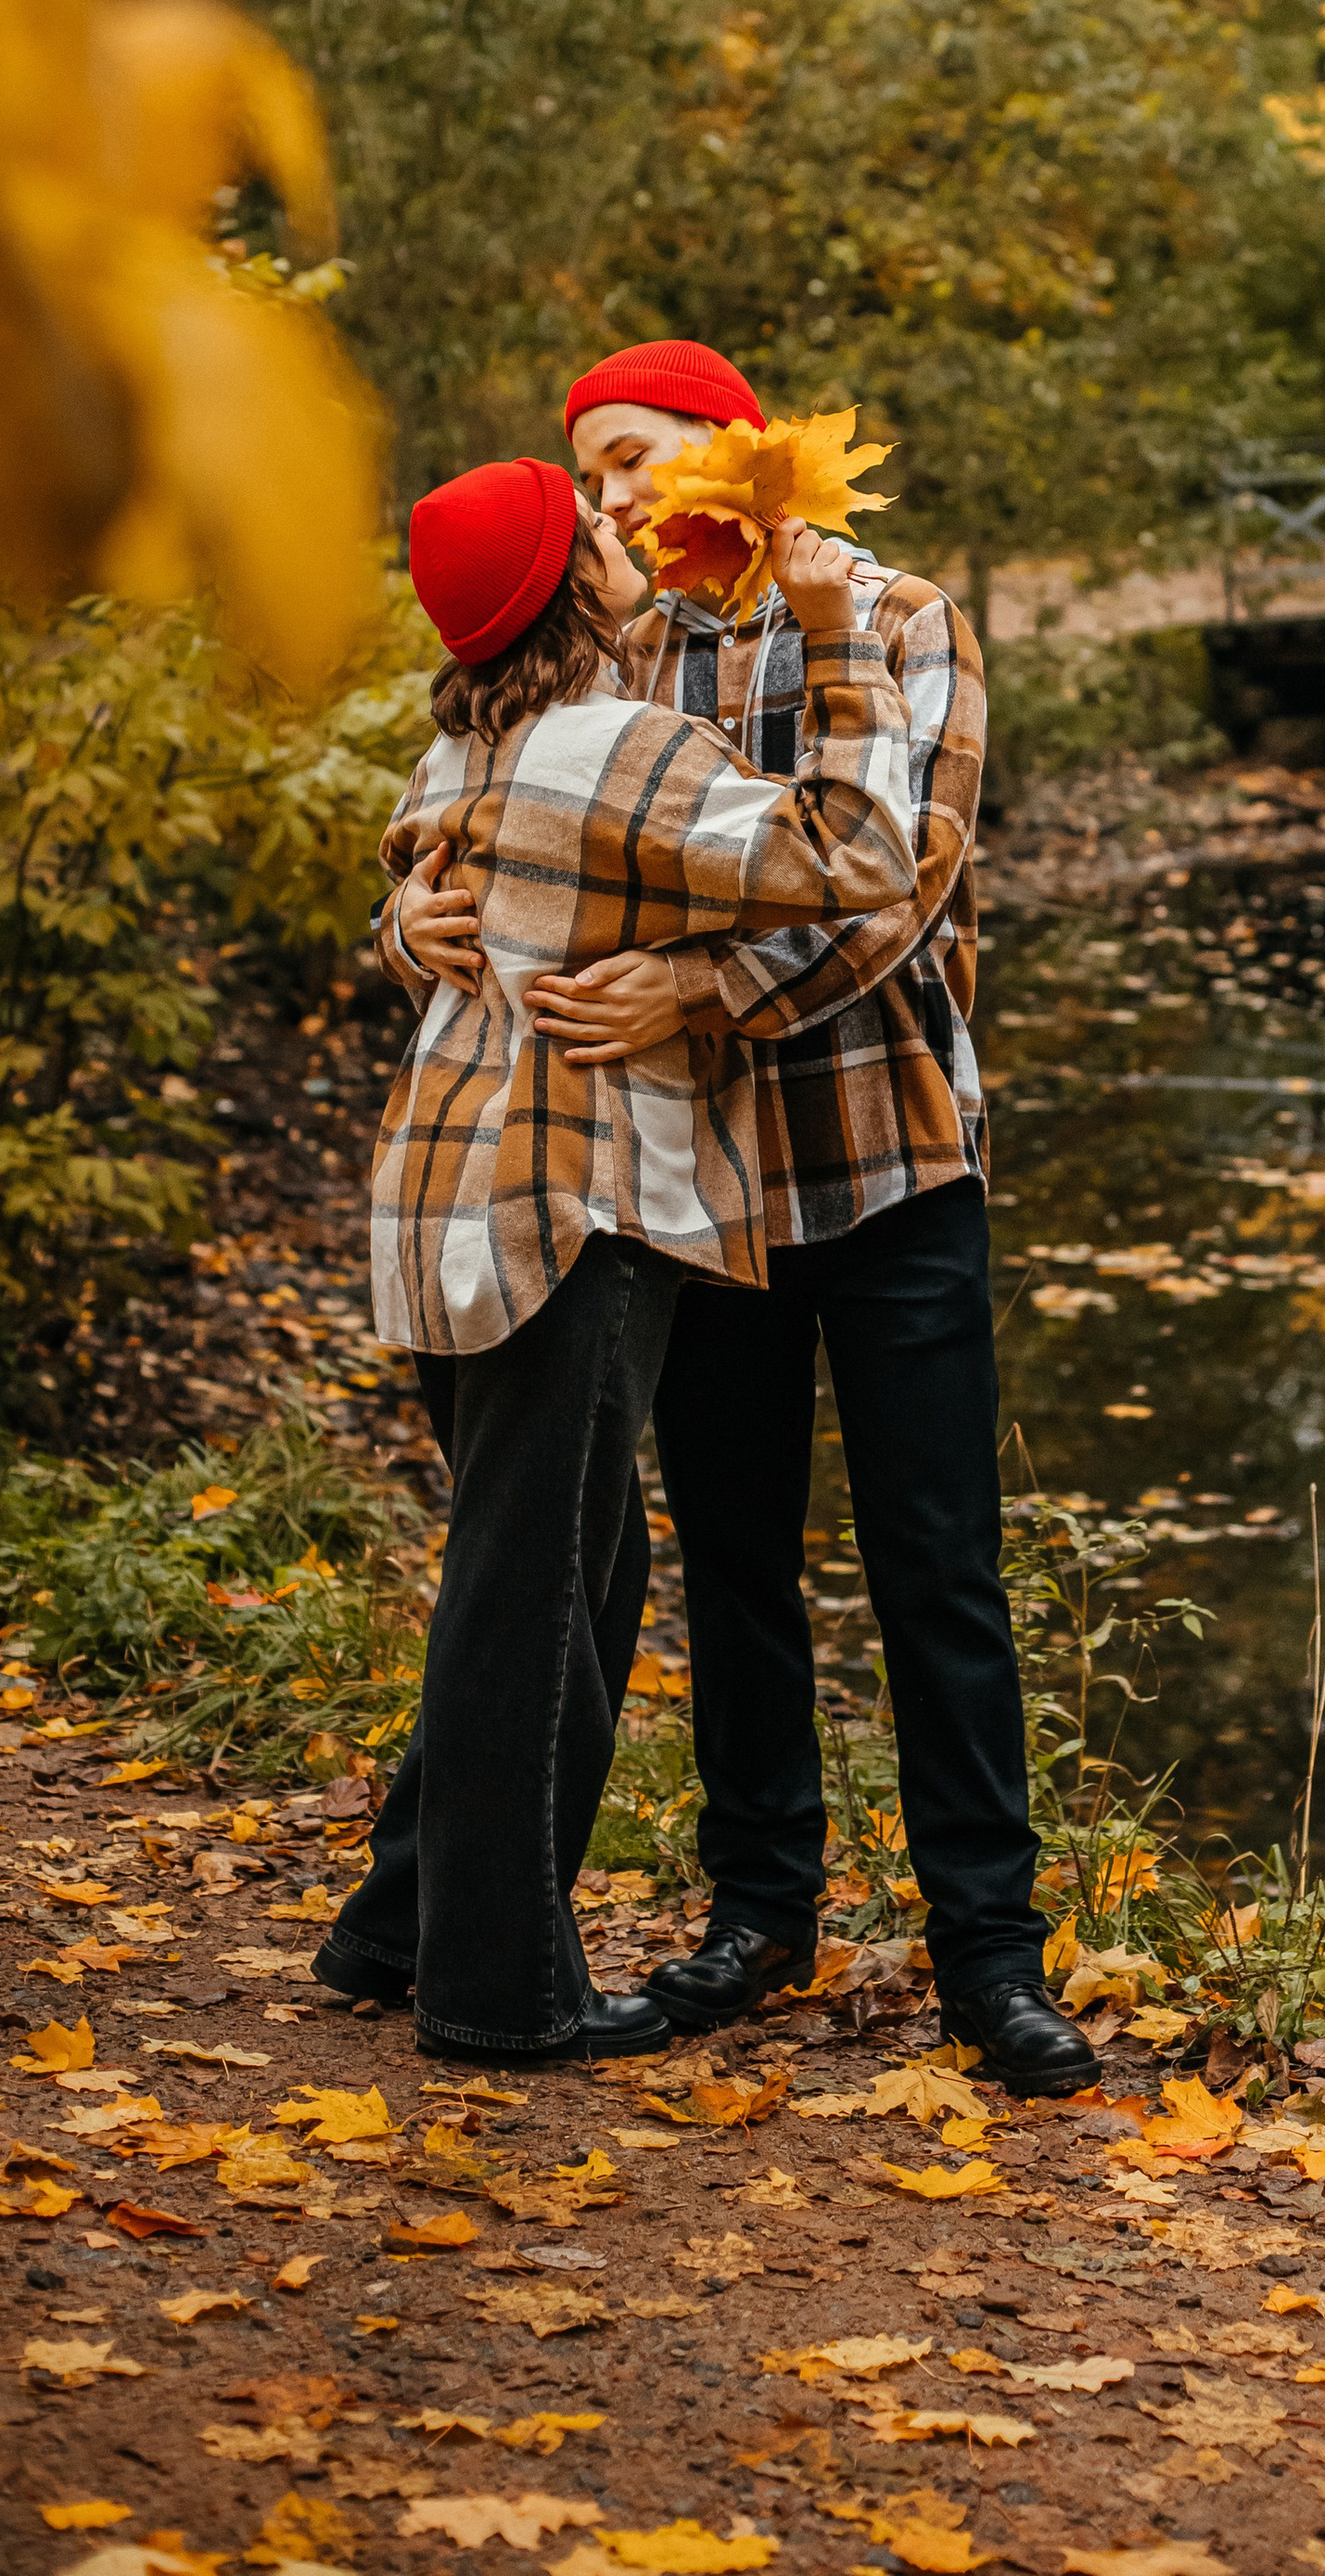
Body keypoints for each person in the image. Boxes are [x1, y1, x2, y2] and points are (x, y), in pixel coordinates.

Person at [396, 339, 1095, 2098]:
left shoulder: (898, 611)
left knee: (938, 1562)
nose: (615, 495)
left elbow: (903, 892)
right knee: (734, 1555)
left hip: (887, 1155)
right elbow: (489, 798)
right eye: (595, 472)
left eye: (636, 456)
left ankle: (987, 1960)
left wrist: (699, 989)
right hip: (700, 1185)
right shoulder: (625, 639)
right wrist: (414, 913)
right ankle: (758, 1917)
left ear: (736, 443)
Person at [321, 454, 916, 2067]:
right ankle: (498, 1994)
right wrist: (840, 643)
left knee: (562, 1575)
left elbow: (419, 867)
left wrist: (403, 919)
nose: (622, 530)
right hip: (563, 1206)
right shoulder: (613, 744)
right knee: (535, 1596)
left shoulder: (470, 735)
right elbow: (856, 852)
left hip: (449, 1194)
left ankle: (396, 1928)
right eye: (593, 528)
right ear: (575, 589)